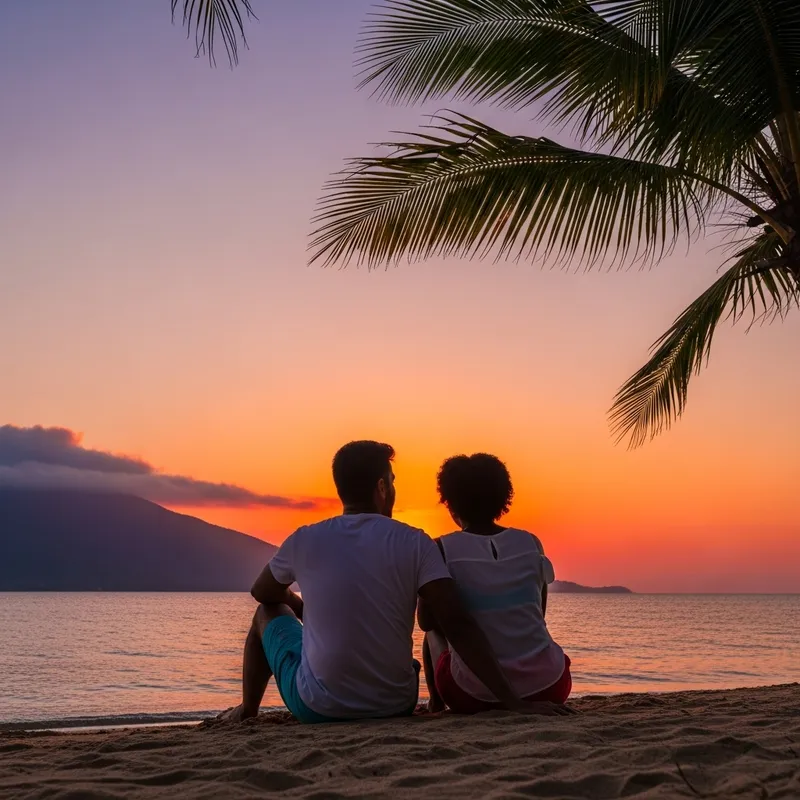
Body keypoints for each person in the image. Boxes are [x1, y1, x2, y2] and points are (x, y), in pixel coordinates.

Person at [221, 441, 570, 723]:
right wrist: (510, 700)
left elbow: (262, 591)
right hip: (396, 704)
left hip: (319, 708)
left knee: (266, 612)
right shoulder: (415, 541)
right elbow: (459, 621)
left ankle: (247, 709)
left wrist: (300, 607)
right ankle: (431, 699)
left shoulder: (305, 538)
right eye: (393, 482)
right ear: (382, 487)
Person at [418, 453, 572, 714]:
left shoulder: (442, 548)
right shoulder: (531, 544)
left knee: (432, 632)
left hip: (472, 695)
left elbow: (426, 621)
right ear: (503, 497)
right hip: (551, 685)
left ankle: (435, 702)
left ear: (450, 503)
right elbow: (538, 612)